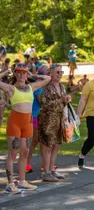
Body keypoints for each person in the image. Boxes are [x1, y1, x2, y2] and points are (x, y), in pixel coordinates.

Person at [0, 64, 51, 193]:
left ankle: (22, 181)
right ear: (16, 74)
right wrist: (6, 71)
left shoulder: (31, 87)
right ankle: (10, 183)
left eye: (24, 73)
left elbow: (47, 79)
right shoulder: (11, 88)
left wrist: (33, 75)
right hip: (15, 123)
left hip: (27, 123)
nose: (22, 75)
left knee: (25, 153)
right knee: (13, 153)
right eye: (19, 72)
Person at [38, 64, 71, 182]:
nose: (60, 74)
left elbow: (63, 101)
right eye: (57, 72)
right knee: (48, 146)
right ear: (50, 73)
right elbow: (44, 104)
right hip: (48, 120)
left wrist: (66, 99)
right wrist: (60, 100)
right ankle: (45, 172)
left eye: (61, 72)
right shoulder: (46, 87)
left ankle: (51, 170)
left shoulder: (62, 86)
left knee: (57, 145)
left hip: (60, 119)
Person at [26, 65, 49, 173]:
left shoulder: (42, 87)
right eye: (46, 73)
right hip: (35, 116)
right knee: (33, 141)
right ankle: (27, 163)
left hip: (41, 116)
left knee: (42, 141)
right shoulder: (37, 87)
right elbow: (41, 103)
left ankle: (45, 164)